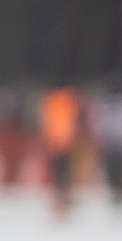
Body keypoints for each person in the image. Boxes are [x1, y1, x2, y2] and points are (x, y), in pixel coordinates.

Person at [38, 86, 83, 217]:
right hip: (66, 142)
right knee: (65, 171)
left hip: (56, 142)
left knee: (59, 171)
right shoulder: (70, 100)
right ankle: (64, 196)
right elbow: (75, 122)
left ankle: (61, 197)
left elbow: (46, 121)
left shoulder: (51, 100)